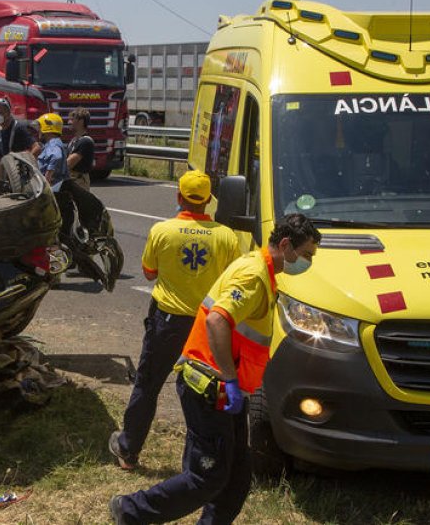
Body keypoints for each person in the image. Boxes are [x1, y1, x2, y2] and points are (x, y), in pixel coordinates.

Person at [110, 214, 321, 525]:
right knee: (206, 477)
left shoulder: (262, 268)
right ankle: (130, 510)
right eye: (306, 254)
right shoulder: (253, 275)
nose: (308, 262)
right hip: (211, 387)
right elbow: (217, 320)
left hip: (227, 390)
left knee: (237, 479)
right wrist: (231, 379)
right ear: (286, 245)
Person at [109, 170, 240, 472]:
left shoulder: (162, 231)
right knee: (205, 393)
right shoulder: (227, 236)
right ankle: (205, 460)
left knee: (148, 384)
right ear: (208, 200)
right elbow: (232, 280)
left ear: (179, 197)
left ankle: (129, 451)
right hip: (208, 327)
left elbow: (149, 273)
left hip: (167, 323)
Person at [65, 107, 96, 190]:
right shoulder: (73, 141)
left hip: (78, 181)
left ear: (81, 121)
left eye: (72, 119)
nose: (68, 122)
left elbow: (69, 163)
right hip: (71, 179)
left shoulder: (85, 141)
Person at [36, 113, 67, 190]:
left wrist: (47, 179)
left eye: (40, 127)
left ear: (46, 128)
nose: (38, 130)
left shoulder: (53, 143)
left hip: (53, 190)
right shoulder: (51, 143)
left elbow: (56, 157)